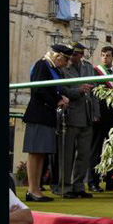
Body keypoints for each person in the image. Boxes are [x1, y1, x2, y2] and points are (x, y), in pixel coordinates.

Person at [22, 44, 72, 202]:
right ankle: (32, 190)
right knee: (35, 152)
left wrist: (61, 97)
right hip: (38, 114)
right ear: (58, 56)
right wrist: (57, 101)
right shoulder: (41, 65)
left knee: (41, 152)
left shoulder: (53, 68)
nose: (66, 64)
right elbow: (39, 90)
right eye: (66, 60)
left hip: (46, 115)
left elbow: (53, 89)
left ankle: (36, 189)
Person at [59, 42, 100, 199]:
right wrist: (77, 91)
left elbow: (95, 91)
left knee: (83, 153)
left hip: (87, 116)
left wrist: (96, 112)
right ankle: (65, 186)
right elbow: (61, 89)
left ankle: (78, 185)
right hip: (70, 115)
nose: (76, 57)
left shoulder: (89, 68)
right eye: (74, 54)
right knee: (67, 154)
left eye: (78, 54)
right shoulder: (63, 68)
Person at [88, 46, 113, 192]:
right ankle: (92, 182)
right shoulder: (96, 72)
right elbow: (93, 94)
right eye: (103, 55)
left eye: (108, 55)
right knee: (95, 150)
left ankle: (111, 181)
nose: (105, 58)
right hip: (99, 116)